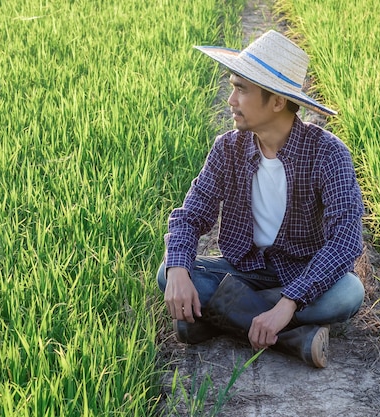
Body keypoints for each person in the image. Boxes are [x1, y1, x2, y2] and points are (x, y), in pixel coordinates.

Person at [156, 30, 365, 368]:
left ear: (278, 101)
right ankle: (294, 338)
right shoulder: (228, 148)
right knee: (168, 272)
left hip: (304, 274)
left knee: (348, 294)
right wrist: (179, 268)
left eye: (241, 89)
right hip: (244, 270)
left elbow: (345, 241)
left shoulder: (328, 154)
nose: (231, 100)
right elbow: (190, 215)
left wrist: (290, 301)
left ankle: (219, 318)